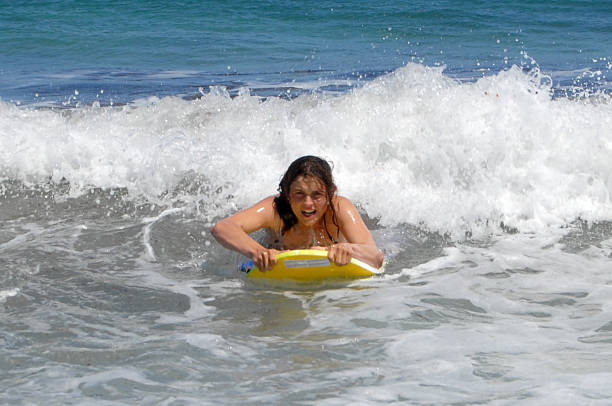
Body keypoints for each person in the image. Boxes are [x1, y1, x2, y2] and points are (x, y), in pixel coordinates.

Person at [210, 156, 384, 271]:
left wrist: (348, 250)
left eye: (317, 194)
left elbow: (375, 256)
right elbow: (222, 227)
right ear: (287, 194)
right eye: (299, 194)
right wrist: (259, 252)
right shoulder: (275, 209)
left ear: (331, 193)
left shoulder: (339, 208)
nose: (308, 203)